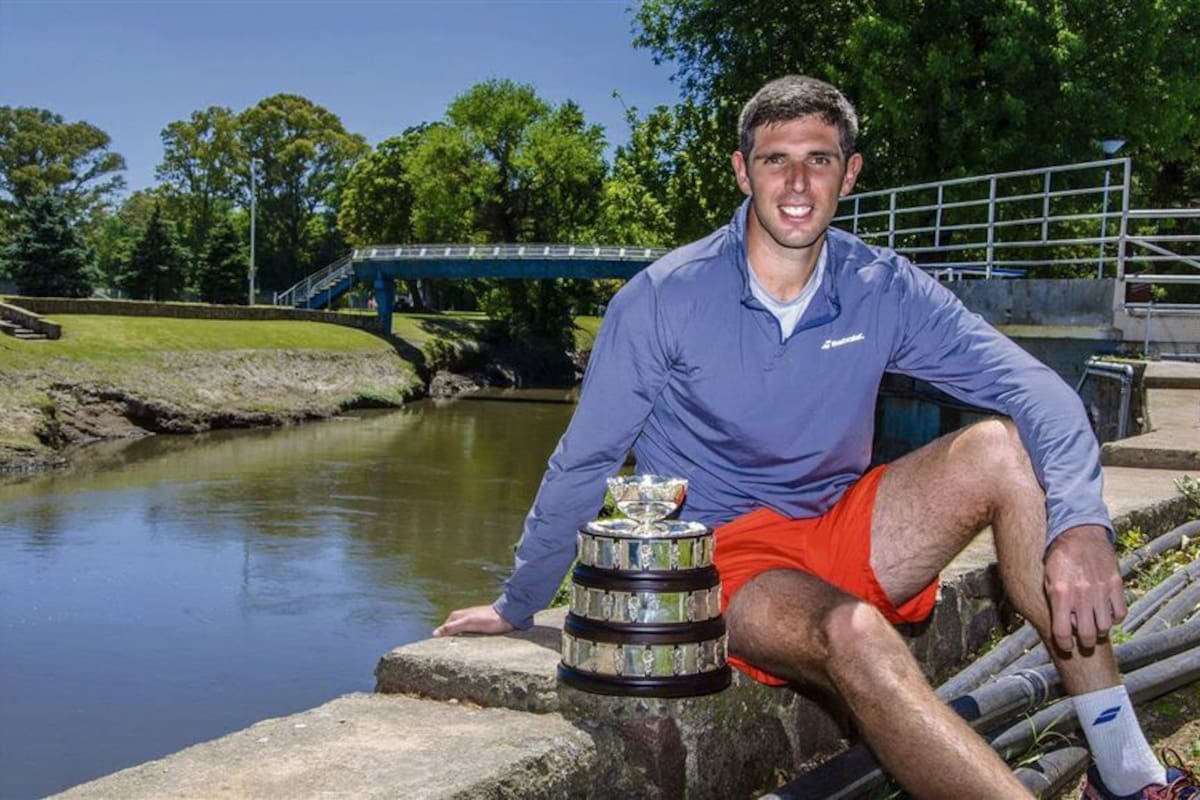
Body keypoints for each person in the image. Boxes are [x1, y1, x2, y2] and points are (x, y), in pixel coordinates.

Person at [435, 75, 1196, 799]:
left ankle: (1127, 773)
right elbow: (588, 457)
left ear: (850, 172)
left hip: (841, 523)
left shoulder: (883, 286)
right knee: (854, 633)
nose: (797, 184)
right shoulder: (663, 299)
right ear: (742, 171)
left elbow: (1033, 388)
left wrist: (1083, 522)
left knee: (1000, 446)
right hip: (726, 552)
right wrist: (522, 598)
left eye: (818, 160)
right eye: (776, 160)